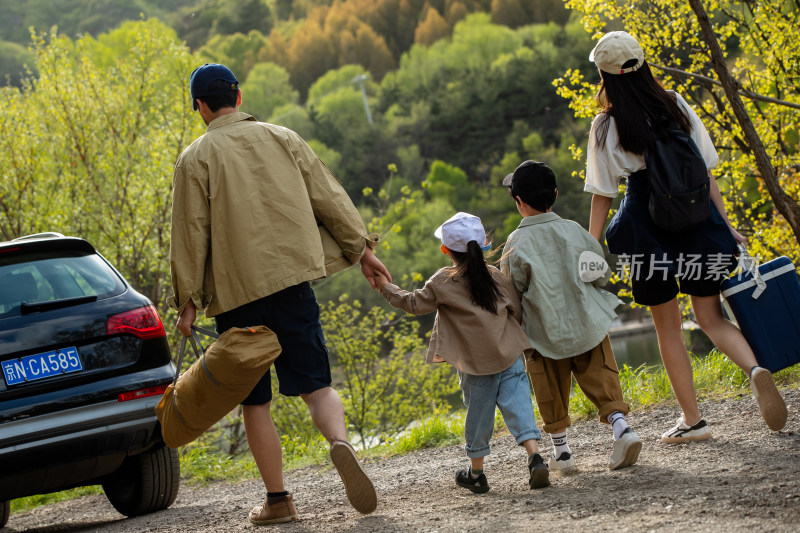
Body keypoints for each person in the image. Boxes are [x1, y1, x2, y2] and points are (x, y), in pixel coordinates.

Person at [168, 63, 392, 525]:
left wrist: (187, 302)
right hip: (293, 284)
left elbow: (190, 233)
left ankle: (278, 501)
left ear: (200, 106)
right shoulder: (283, 137)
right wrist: (362, 250)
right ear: (240, 96)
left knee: (255, 401)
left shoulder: (196, 157)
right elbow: (328, 196)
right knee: (317, 385)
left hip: (236, 298)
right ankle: (339, 442)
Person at [583, 31, 787, 442]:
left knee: (668, 327)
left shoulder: (605, 125)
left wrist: (591, 245)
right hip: (697, 222)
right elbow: (705, 170)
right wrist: (725, 224)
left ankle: (693, 421)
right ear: (644, 65)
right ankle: (754, 369)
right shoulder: (675, 104)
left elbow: (603, 194)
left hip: (647, 230)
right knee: (710, 317)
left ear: (605, 76)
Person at [373, 212, 550, 493]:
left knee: (478, 416)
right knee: (519, 406)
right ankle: (535, 457)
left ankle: (477, 474)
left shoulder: (442, 282)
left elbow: (413, 303)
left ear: (446, 250)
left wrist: (385, 287)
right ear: (484, 245)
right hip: (508, 355)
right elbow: (515, 309)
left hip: (473, 363)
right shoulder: (496, 276)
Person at [500, 160, 641, 473]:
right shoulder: (575, 231)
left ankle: (562, 452)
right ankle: (622, 428)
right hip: (586, 324)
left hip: (543, 333)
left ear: (519, 202)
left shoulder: (515, 243)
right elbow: (600, 273)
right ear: (556, 194)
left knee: (548, 387)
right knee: (601, 375)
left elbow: (512, 293)